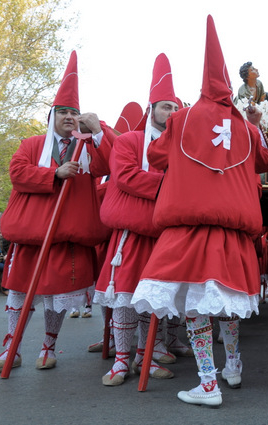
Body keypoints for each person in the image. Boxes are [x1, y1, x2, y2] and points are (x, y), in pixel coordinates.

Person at [130, 15, 268, 407]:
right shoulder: (245, 126)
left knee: (197, 306)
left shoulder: (182, 117)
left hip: (190, 226)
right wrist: (254, 126)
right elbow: (264, 162)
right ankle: (234, 366)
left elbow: (157, 157)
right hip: (232, 229)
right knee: (225, 302)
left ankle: (208, 384)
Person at [0, 51, 114, 373]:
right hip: (33, 236)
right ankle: (11, 349)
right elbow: (17, 173)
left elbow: (110, 166)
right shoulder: (31, 144)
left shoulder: (88, 147)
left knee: (56, 296)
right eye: (64, 112)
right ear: (52, 116)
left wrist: (98, 132)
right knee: (19, 293)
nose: (70, 117)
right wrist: (54, 173)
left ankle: (48, 346)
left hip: (67, 238)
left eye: (74, 113)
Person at [95, 53, 179, 386]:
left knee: (152, 299)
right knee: (124, 297)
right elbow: (127, 177)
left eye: (175, 108)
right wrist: (172, 186)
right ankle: (121, 361)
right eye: (165, 107)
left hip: (163, 234)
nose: (170, 113)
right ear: (151, 109)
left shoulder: (181, 146)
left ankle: (146, 356)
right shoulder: (128, 141)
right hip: (129, 234)